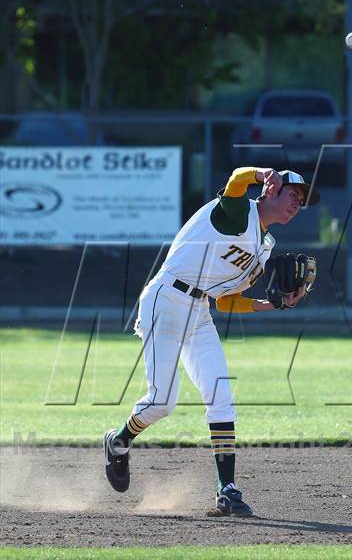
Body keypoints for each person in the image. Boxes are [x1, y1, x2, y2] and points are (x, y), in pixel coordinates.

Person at [104, 167, 320, 517]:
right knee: (161, 403)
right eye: (292, 195)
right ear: (271, 191)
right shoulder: (238, 212)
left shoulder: (265, 247)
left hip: (200, 311)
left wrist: (272, 304)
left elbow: (227, 300)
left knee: (221, 397)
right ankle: (118, 441)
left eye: (301, 201)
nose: (297, 203)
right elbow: (235, 179)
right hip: (165, 299)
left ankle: (227, 489)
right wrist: (260, 173)